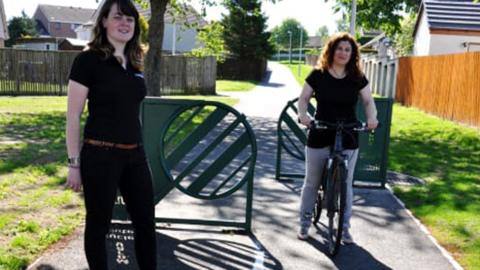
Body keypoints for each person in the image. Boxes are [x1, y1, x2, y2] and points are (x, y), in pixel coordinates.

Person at [65, 0, 157, 269]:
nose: (125, 23)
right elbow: (73, 117)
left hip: (136, 156)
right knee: (98, 225)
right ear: (103, 21)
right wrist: (74, 164)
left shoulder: (135, 62)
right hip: (100, 155)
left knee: (146, 224)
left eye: (130, 19)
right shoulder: (87, 60)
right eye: (118, 17)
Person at [296, 32, 378, 243]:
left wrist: (372, 118)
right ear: (332, 51)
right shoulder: (318, 74)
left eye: (347, 50)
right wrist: (303, 114)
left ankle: (345, 228)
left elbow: (368, 101)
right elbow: (304, 98)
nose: (343, 53)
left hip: (348, 133)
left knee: (346, 184)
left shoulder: (357, 78)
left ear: (352, 54)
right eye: (339, 49)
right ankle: (305, 223)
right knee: (312, 182)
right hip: (321, 131)